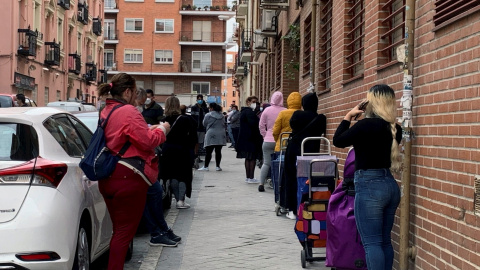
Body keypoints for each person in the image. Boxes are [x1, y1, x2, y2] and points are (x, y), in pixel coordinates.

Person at [97, 73, 170, 270]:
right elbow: (149, 141)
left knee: (118, 232)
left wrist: (149, 129)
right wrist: (162, 129)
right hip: (128, 176)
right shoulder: (128, 111)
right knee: (124, 234)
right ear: (128, 91)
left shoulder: (106, 110)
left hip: (108, 176)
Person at [332, 84, 402, 270]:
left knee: (372, 243)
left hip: (370, 187)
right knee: (385, 241)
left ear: (370, 103)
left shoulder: (364, 126)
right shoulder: (396, 129)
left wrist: (348, 116)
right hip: (390, 185)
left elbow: (338, 140)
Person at [135, 88, 182, 247]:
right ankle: (157, 232)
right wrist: (161, 129)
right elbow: (145, 139)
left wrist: (153, 128)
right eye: (141, 102)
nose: (142, 105)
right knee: (151, 194)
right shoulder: (129, 113)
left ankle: (161, 229)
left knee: (154, 193)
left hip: (141, 163)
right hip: (136, 164)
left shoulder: (133, 113)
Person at [284, 93, 326, 219]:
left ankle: (292, 209)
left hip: (294, 150)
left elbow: (293, 125)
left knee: (291, 177)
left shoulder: (297, 115)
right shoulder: (321, 118)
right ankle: (309, 206)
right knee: (309, 180)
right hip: (311, 153)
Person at [160, 96, 197, 209]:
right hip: (183, 150)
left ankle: (175, 197)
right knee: (183, 175)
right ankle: (181, 201)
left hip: (167, 150)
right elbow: (193, 137)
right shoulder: (185, 119)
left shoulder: (163, 120)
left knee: (171, 175)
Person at [258, 92, 285, 192]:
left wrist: (265, 135)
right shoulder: (285, 111)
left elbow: (261, 125)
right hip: (281, 141)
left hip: (268, 140)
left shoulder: (266, 110)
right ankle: (278, 184)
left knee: (266, 163)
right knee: (280, 163)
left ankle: (261, 183)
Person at [235, 96, 263, 184]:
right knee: (252, 158)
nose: (255, 104)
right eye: (253, 101)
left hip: (246, 138)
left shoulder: (244, 112)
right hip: (251, 138)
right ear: (248, 102)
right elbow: (254, 124)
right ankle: (251, 177)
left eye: (256, 102)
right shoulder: (249, 112)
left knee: (248, 158)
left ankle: (248, 177)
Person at [198, 103, 227, 171]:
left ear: (211, 108)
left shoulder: (208, 115)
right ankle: (218, 166)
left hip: (211, 133)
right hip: (220, 134)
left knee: (208, 151)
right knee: (218, 151)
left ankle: (206, 166)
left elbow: (204, 124)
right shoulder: (222, 115)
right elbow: (223, 124)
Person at [190, 94, 209, 161]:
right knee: (195, 142)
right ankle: (195, 155)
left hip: (202, 128)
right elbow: (192, 117)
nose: (200, 100)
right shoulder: (194, 107)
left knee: (200, 142)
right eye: (199, 99)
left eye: (201, 99)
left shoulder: (205, 108)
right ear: (197, 99)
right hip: (196, 127)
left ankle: (197, 155)